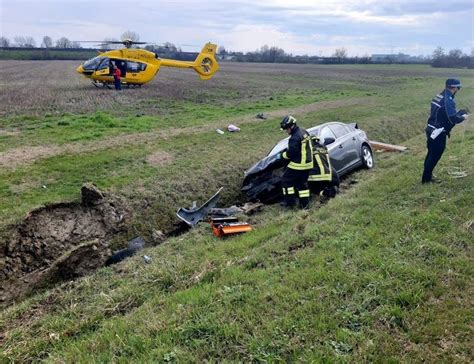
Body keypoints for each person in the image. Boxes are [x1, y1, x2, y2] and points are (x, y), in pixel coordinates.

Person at [421, 78, 469, 184]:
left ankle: (427, 176)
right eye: (458, 88)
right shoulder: (447, 99)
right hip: (438, 131)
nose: (458, 90)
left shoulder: (440, 96)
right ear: (454, 88)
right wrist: (463, 117)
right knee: (435, 155)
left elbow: (443, 113)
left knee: (431, 153)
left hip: (431, 128)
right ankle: (426, 180)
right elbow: (452, 118)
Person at [277, 115, 314, 209]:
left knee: (286, 182)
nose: (286, 131)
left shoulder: (294, 138)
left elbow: (292, 153)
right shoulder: (304, 131)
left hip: (298, 165)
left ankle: (290, 204)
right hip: (308, 164)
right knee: (302, 185)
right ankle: (304, 205)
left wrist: (282, 155)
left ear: (292, 126)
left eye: (287, 129)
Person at [308, 136, 340, 200]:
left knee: (311, 188)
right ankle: (331, 191)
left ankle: (326, 193)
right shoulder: (324, 148)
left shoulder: (309, 150)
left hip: (317, 176)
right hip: (329, 173)